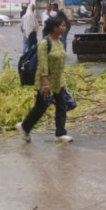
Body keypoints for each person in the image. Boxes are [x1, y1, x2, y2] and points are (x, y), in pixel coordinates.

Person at [16, 15, 72, 143]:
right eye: (62, 26)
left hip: (58, 80)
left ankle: (60, 133)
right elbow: (42, 64)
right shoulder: (44, 43)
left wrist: (62, 79)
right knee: (40, 107)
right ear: (54, 28)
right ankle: (24, 127)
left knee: (62, 105)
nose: (65, 28)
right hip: (45, 81)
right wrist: (45, 83)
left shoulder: (59, 41)